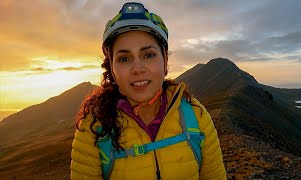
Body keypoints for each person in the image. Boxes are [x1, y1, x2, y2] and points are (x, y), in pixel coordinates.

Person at [70, 2, 226, 180]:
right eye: (124, 58)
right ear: (112, 68)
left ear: (165, 59)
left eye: (148, 55)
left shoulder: (196, 116)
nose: (137, 68)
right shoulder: (93, 128)